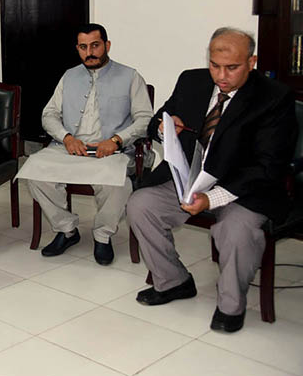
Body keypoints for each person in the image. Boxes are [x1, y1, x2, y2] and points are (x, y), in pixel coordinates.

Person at [127, 27, 297, 333]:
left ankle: (231, 305)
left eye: (231, 68)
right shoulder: (192, 80)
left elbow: (268, 166)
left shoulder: (274, 98)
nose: (221, 75)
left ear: (251, 61)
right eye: (214, 65)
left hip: (243, 188)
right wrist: (164, 128)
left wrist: (213, 198)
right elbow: (160, 118)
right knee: (140, 204)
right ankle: (173, 281)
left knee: (235, 230)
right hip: (191, 180)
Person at [19, 23, 152, 265]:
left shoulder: (130, 76)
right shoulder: (69, 76)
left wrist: (116, 140)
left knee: (119, 184)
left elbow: (145, 118)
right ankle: (66, 229)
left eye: (95, 45)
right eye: (83, 47)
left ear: (106, 46)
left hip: (110, 150)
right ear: (77, 49)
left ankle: (102, 236)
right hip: (70, 149)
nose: (89, 52)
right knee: (35, 174)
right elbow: (48, 114)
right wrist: (67, 138)